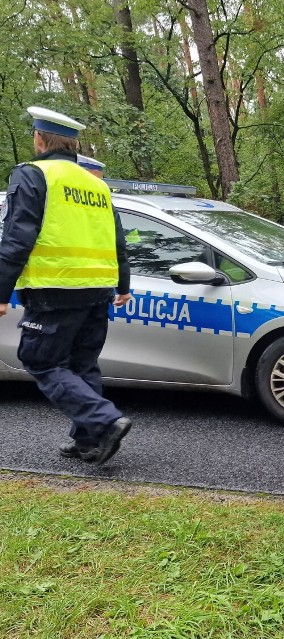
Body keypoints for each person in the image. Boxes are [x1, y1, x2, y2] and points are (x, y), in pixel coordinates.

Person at [0, 106, 133, 465]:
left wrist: (1, 290)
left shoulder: (33, 174)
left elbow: (17, 237)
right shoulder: (96, 185)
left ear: (40, 139)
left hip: (54, 290)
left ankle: (104, 422)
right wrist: (123, 284)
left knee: (39, 359)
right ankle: (89, 442)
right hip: (98, 289)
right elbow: (117, 239)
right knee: (82, 364)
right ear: (72, 144)